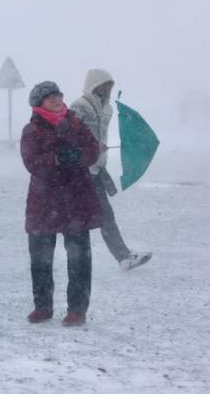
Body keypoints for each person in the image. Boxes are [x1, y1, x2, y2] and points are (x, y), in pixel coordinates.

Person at [20, 81, 102, 326]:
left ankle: (77, 309)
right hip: (44, 201)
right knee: (41, 258)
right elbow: (31, 163)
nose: (57, 100)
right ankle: (43, 306)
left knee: (79, 258)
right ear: (38, 104)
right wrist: (56, 159)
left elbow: (92, 150)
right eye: (50, 98)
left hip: (76, 199)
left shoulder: (76, 123)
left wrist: (80, 155)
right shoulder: (31, 130)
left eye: (58, 95)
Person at [70, 69, 152, 270]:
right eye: (106, 84)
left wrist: (100, 148)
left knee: (105, 216)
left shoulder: (107, 109)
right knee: (77, 221)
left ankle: (123, 257)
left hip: (97, 169)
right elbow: (70, 137)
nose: (109, 89)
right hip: (80, 172)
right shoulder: (79, 107)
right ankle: (78, 262)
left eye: (111, 85)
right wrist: (89, 148)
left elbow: (99, 134)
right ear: (95, 84)